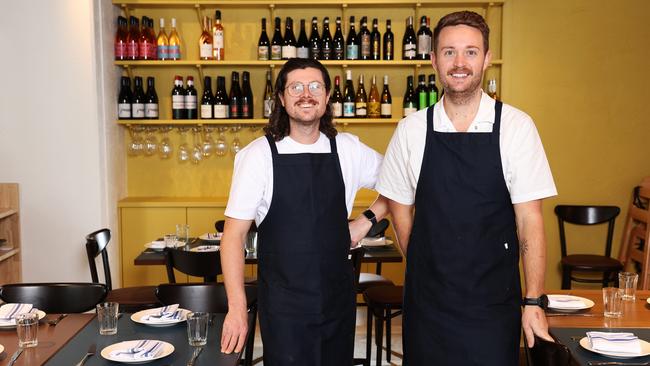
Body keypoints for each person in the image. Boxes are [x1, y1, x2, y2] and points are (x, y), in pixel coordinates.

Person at [376, 11, 557, 365]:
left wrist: (533, 300)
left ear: (487, 59)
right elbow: (399, 207)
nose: (459, 63)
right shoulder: (411, 129)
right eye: (448, 52)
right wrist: (427, 263)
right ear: (433, 60)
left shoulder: (516, 127)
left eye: (471, 52)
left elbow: (529, 220)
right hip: (427, 305)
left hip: (492, 303)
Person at [219, 58, 387, 366]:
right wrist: (237, 308)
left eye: (314, 86)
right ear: (282, 98)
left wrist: (368, 220)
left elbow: (400, 178)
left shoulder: (348, 149)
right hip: (284, 308)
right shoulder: (257, 156)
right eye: (295, 87)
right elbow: (233, 238)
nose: (305, 94)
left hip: (337, 302)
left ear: (326, 97)